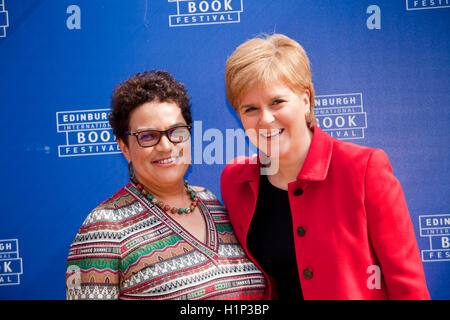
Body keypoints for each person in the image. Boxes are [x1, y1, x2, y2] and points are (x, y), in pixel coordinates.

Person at [221, 33, 430, 300]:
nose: (265, 119)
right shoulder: (236, 181)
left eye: (277, 102)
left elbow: (406, 283)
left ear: (305, 99)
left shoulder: (363, 169)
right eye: (250, 109)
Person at [65, 70, 266, 300]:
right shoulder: (104, 229)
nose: (166, 146)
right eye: (148, 136)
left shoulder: (213, 204)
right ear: (124, 147)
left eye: (175, 132)